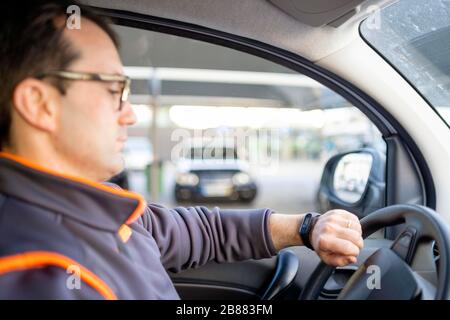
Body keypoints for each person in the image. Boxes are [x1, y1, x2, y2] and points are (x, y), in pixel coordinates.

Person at [0, 0, 363, 299]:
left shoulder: (97, 206)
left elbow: (199, 231)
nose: (129, 113)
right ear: (39, 104)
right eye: (114, 90)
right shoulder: (38, 273)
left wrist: (307, 227)